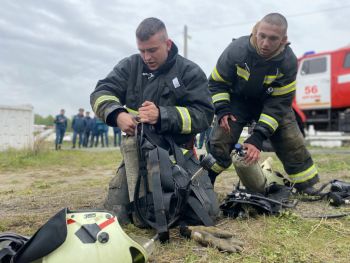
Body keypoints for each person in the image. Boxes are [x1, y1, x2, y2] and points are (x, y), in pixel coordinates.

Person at [90, 17, 214, 223]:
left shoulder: (189, 72)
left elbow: (204, 115)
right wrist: (117, 114)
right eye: (142, 50)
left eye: (152, 50)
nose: (146, 57)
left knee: (205, 211)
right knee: (116, 216)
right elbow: (101, 93)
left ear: (167, 44)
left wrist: (162, 115)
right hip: (138, 156)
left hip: (178, 156)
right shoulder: (130, 66)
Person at [206, 13, 319, 194]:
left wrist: (257, 137)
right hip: (237, 102)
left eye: (273, 38)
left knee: (291, 138)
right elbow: (216, 83)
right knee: (221, 138)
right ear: (255, 31)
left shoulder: (288, 62)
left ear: (284, 40)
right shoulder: (236, 50)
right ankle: (205, 182)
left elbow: (280, 103)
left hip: (269, 103)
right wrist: (222, 108)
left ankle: (306, 185)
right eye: (262, 36)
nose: (265, 43)